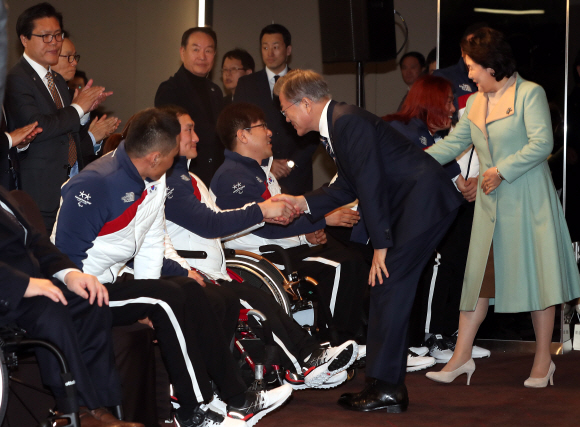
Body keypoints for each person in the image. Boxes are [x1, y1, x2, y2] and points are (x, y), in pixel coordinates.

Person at [52, 108, 293, 427]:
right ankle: (193, 410)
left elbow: (151, 242)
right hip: (79, 291)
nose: (176, 162)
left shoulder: (153, 177)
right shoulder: (94, 185)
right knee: (163, 301)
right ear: (155, 157)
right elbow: (64, 262)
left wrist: (151, 289)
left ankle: (234, 397)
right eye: (172, 154)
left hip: (112, 282)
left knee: (189, 290)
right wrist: (146, 299)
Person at [273, 69, 463, 412]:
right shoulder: (338, 123)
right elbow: (348, 186)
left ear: (304, 103)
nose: (284, 118)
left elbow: (371, 186)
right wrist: (303, 203)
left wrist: (380, 245)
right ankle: (383, 383)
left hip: (423, 203)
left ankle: (386, 386)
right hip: (418, 203)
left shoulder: (346, 123)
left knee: (388, 284)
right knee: (388, 287)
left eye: (285, 109)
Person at [160, 104, 359, 390]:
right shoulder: (174, 182)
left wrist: (296, 232)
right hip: (202, 268)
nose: (197, 137)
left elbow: (221, 223)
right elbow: (212, 225)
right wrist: (262, 211)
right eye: (189, 130)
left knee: (260, 299)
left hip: (215, 267)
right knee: (259, 301)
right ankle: (305, 363)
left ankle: (311, 356)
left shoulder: (190, 178)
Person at [424, 27, 580, 388]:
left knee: (539, 281)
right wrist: (410, 162)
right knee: (476, 282)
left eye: (471, 66)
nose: (468, 74)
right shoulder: (475, 103)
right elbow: (453, 146)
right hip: (492, 208)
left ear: (491, 65)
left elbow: (544, 142)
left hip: (528, 200)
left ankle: (544, 360)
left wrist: (500, 170)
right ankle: (461, 357)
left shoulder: (530, 93)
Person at [211, 102, 373, 347]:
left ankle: (360, 336)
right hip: (264, 258)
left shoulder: (259, 170)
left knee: (357, 256)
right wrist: (322, 219)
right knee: (343, 265)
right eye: (262, 126)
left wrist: (306, 236)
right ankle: (337, 342)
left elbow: (282, 218)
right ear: (242, 135)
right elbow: (265, 226)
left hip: (285, 249)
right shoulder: (232, 177)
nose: (270, 132)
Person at [0, 185, 142, 427]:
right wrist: (22, 284)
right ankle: (72, 411)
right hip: (9, 291)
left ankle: (101, 407)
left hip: (31, 287)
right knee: (49, 308)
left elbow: (35, 241)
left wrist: (68, 274)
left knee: (92, 300)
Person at [382, 74, 490, 363]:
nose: (453, 109)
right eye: (446, 102)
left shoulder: (432, 135)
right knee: (442, 256)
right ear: (429, 103)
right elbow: (421, 164)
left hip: (420, 215)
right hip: (389, 220)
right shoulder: (400, 127)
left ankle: (450, 332)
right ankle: (431, 336)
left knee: (463, 250)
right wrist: (458, 180)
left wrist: (464, 183)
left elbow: (447, 171)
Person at [5, 2, 112, 233]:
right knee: (42, 263)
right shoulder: (16, 79)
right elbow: (38, 127)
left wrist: (83, 113)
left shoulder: (55, 79)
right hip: (40, 193)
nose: (54, 42)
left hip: (71, 187)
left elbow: (66, 130)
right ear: (24, 39)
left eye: (57, 35)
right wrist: (77, 109)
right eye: (45, 36)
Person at [233, 24, 319, 196]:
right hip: (259, 172)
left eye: (275, 47)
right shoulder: (246, 84)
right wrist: (267, 163)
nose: (270, 53)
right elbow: (239, 128)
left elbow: (315, 129)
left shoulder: (304, 82)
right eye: (265, 47)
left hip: (297, 173)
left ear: (288, 50)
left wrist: (290, 164)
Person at [155, 27, 224, 187]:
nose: (202, 56)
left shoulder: (216, 91)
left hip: (216, 175)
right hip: (183, 175)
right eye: (196, 49)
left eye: (208, 51)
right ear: (182, 52)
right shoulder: (170, 89)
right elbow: (169, 137)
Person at [52, 37, 121, 162]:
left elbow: (79, 153)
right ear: (50, 57)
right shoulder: (40, 95)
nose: (74, 63)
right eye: (68, 57)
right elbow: (56, 154)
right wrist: (92, 137)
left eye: (75, 56)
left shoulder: (69, 94)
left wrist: (85, 113)